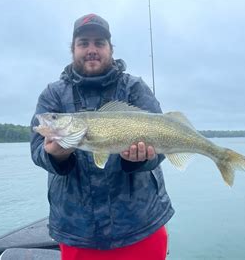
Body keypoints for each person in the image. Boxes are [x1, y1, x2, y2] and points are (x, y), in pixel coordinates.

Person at [30, 13, 174, 260]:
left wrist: (139, 159)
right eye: (83, 43)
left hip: (141, 224)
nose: (91, 49)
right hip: (77, 232)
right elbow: (37, 150)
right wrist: (56, 157)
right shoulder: (53, 94)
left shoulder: (134, 88)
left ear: (110, 48)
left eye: (99, 43)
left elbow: (161, 144)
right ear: (73, 49)